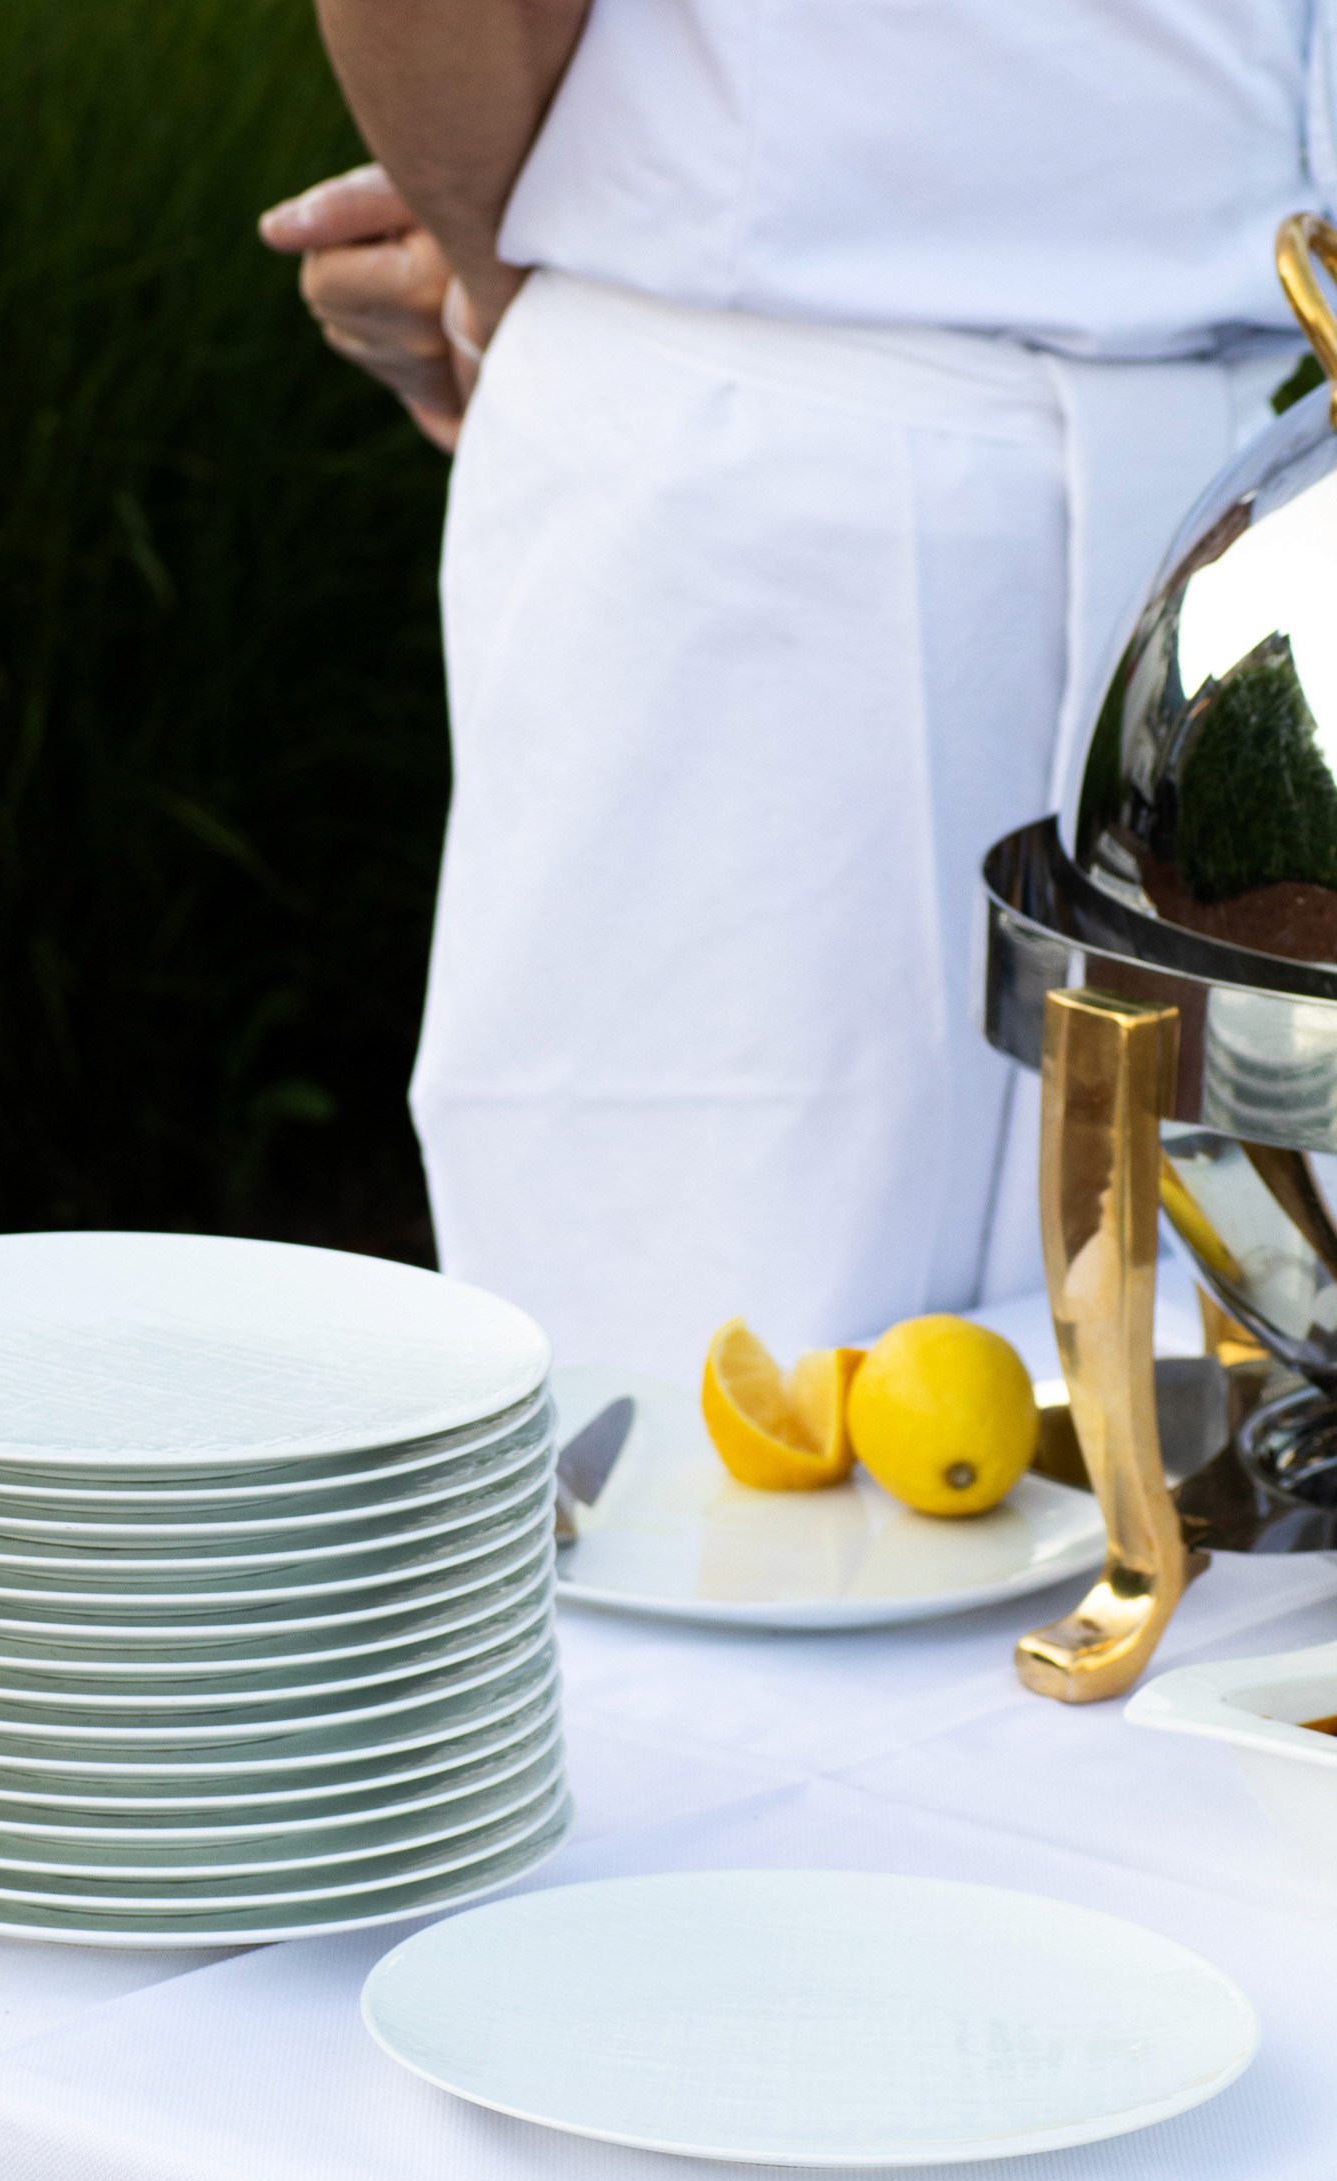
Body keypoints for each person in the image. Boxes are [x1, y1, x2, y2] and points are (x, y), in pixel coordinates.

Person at [262, 3, 1330, 1377]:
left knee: (1250, 1435)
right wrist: (527, 274)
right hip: (775, 484)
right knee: (717, 1442)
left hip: (1258, 481)